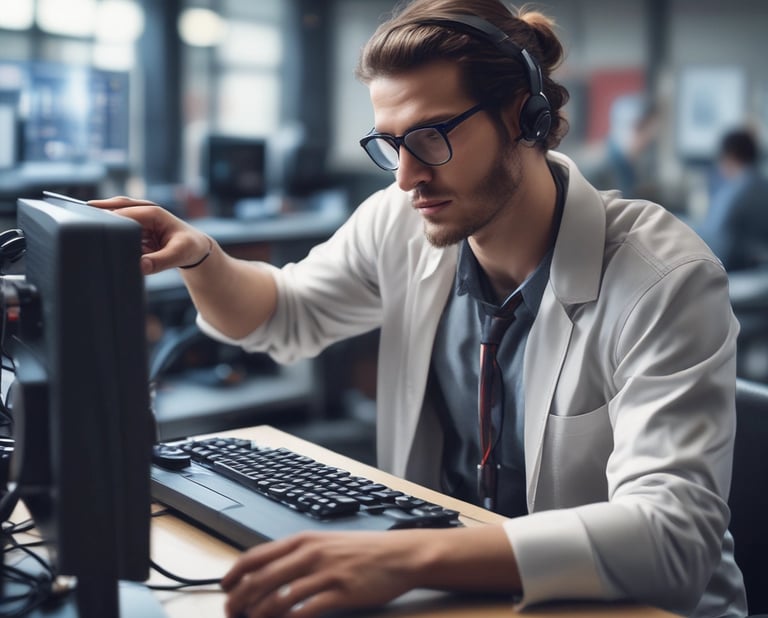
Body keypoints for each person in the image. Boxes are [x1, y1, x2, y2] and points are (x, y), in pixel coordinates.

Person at [90, 0, 747, 616]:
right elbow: (280, 316)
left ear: (525, 117)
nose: (405, 176)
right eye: (389, 143)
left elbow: (673, 538)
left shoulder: (664, 275)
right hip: (466, 586)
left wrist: (404, 557)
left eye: (431, 136)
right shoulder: (400, 221)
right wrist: (202, 256)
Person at [695, 128, 768, 271]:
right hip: (758, 272)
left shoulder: (735, 192)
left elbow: (714, 241)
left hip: (732, 272)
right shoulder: (762, 185)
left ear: (730, 156)